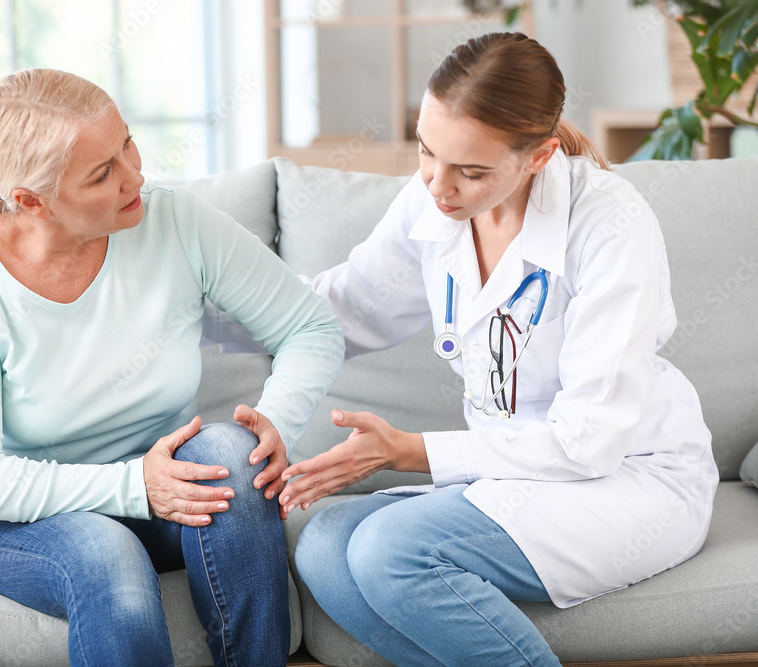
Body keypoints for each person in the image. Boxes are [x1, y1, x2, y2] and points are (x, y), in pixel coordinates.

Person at [278, 33, 719, 666]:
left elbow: (588, 439)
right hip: (516, 475)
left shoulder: (609, 224)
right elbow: (347, 309)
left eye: (472, 171)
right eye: (427, 152)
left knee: (389, 552)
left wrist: (408, 452)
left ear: (539, 156)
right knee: (323, 544)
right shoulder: (435, 199)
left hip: (628, 474)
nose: (438, 186)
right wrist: (204, 296)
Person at [0, 68, 344, 667]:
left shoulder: (175, 222)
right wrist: (137, 486)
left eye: (126, 145)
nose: (135, 176)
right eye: (102, 173)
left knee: (234, 456)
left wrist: (276, 422)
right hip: (0, 517)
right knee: (105, 550)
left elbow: (309, 326)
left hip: (161, 494)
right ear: (32, 201)